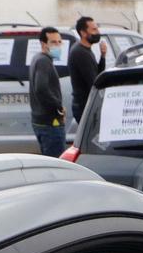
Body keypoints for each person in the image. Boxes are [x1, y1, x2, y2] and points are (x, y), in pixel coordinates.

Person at [27, 24, 66, 155]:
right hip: (50, 123)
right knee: (56, 164)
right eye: (53, 42)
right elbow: (41, 88)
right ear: (44, 44)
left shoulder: (38, 58)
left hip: (41, 121)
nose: (58, 45)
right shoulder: (43, 61)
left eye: (59, 42)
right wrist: (59, 107)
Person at [68, 15, 103, 125]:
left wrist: (103, 56)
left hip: (87, 105)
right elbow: (94, 81)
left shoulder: (86, 50)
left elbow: (98, 73)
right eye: (94, 29)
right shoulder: (80, 52)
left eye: (97, 29)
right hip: (84, 107)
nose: (97, 32)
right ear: (83, 33)